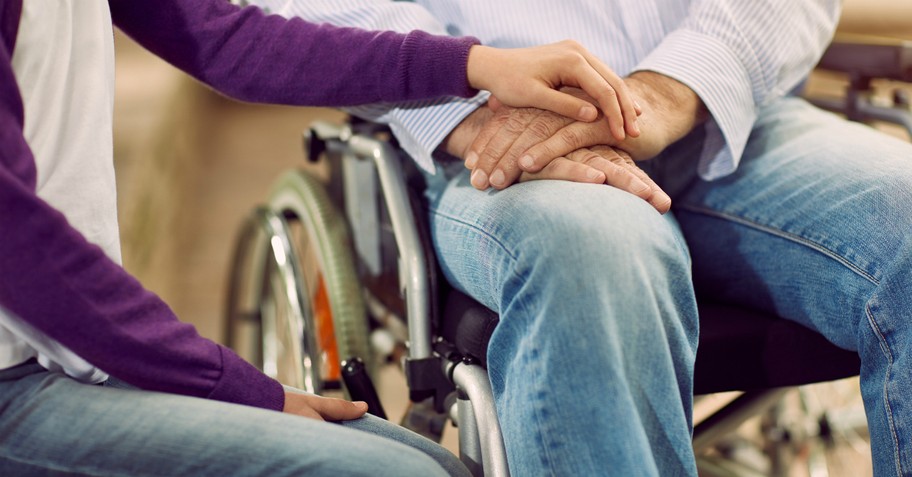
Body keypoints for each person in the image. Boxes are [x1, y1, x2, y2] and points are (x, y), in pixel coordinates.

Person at [255, 0, 912, 475]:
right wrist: (474, 106)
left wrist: (669, 88)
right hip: (484, 128)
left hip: (717, 108)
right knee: (591, 254)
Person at [0, 1, 649, 475]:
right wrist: (235, 385)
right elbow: (18, 247)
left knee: (435, 464)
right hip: (19, 382)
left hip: (61, 354)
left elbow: (225, 40)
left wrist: (474, 66)